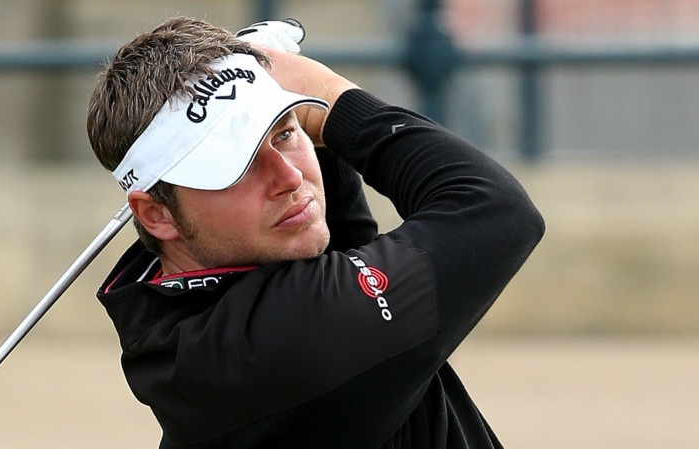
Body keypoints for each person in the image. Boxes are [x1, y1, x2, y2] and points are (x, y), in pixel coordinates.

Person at [86, 16, 545, 449]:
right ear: (156, 214)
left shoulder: (180, 321)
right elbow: (494, 210)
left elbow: (341, 240)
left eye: (285, 133)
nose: (288, 177)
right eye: (238, 166)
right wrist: (331, 95)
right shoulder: (279, 345)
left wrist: (251, 82)